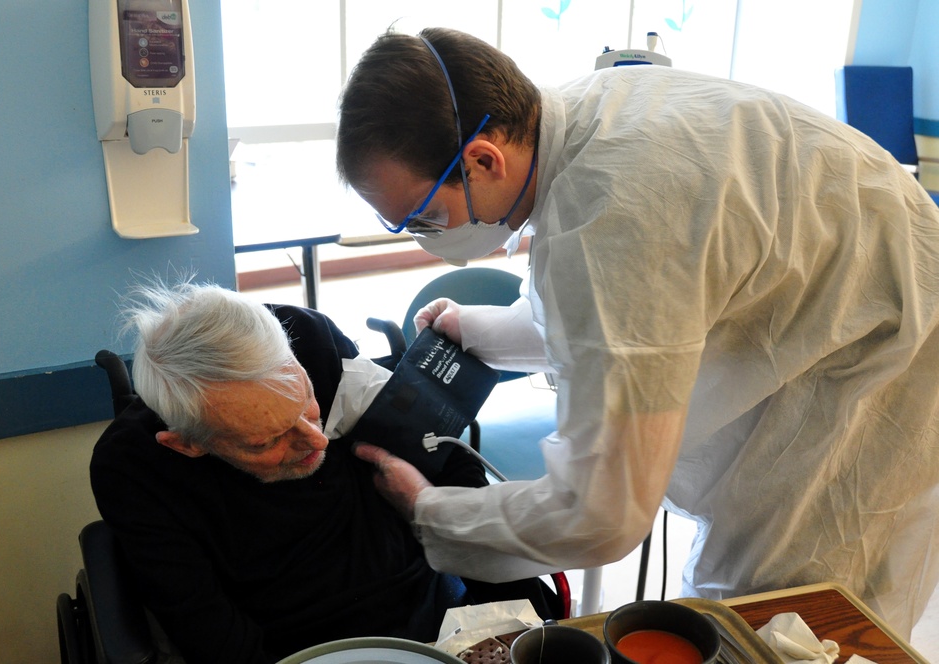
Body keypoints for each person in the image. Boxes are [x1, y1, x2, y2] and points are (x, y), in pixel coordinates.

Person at [336, 27, 939, 637]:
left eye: (426, 217)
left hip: (881, 357)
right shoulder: (581, 121)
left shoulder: (614, 211)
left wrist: (429, 513)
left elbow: (601, 513)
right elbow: (600, 319)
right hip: (862, 291)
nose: (426, 239)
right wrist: (478, 329)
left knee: (774, 622)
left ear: (483, 159)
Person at [89, 282, 555, 664]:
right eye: (266, 441)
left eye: (307, 406)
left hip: (437, 610)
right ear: (187, 445)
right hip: (301, 649)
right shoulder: (134, 472)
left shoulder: (316, 346)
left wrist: (511, 605)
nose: (315, 442)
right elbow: (208, 629)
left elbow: (450, 459)